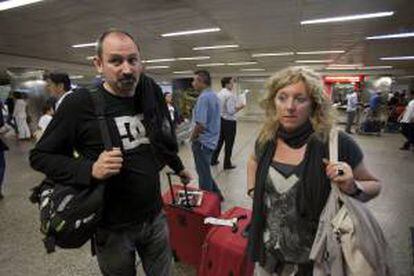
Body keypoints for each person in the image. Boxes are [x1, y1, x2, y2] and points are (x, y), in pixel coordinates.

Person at [30, 29, 191, 276]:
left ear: (141, 62)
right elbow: (40, 156)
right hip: (112, 227)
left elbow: (159, 136)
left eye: (132, 60)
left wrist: (178, 166)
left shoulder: (149, 91)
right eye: (116, 61)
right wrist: (90, 169)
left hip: (155, 216)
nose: (126, 69)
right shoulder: (80, 103)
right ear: (98, 64)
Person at [246, 67, 381, 275]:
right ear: (274, 101)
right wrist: (253, 190)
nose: (290, 106)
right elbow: (253, 161)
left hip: (317, 262)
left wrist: (352, 186)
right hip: (268, 257)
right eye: (282, 98)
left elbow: (374, 185)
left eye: (300, 99)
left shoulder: (336, 142)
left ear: (314, 105)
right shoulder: (267, 139)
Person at [190, 70, 223, 199]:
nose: (193, 83)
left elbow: (201, 124)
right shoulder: (214, 95)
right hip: (212, 140)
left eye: (194, 80)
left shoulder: (203, 98)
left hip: (202, 142)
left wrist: (192, 138)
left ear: (201, 81)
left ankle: (207, 204)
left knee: (203, 175)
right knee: (205, 171)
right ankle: (218, 196)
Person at [211, 77, 245, 169]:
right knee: (229, 143)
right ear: (226, 84)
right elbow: (231, 111)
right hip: (229, 122)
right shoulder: (230, 95)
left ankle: (213, 160)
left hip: (220, 120)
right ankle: (227, 164)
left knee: (219, 141)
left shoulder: (219, 94)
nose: (233, 84)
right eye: (231, 83)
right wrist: (241, 107)